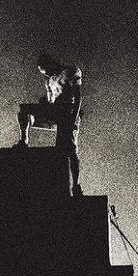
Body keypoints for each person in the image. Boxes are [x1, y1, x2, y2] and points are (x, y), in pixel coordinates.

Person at [15, 54, 85, 195]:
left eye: (46, 70)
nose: (45, 74)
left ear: (51, 64)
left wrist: (73, 119)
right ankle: (24, 140)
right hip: (55, 112)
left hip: (68, 112)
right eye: (43, 72)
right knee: (24, 110)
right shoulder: (49, 80)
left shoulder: (69, 72)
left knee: (70, 151)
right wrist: (44, 104)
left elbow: (78, 98)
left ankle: (76, 186)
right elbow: (50, 102)